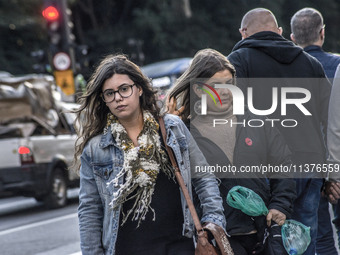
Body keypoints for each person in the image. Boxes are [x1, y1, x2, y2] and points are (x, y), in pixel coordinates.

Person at [73, 54, 226, 255]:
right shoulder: (96, 149)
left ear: (139, 89)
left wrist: (214, 222)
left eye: (124, 89)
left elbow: (204, 177)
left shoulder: (172, 129)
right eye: (109, 93)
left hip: (178, 246)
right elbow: (89, 211)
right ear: (104, 101)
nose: (118, 97)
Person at [168, 48, 296, 255]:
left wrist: (280, 205)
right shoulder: (184, 134)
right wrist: (169, 129)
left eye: (229, 84)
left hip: (263, 233)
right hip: (218, 238)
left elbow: (283, 165)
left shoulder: (256, 121)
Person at [227, 8, 331, 255]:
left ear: (243, 32)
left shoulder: (238, 61)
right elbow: (330, 119)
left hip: (266, 168)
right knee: (305, 240)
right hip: (310, 164)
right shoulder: (311, 63)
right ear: (281, 32)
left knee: (270, 240)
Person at [290, 7, 340, 254]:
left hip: (309, 164)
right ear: (323, 33)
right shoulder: (338, 65)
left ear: (292, 38)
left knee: (317, 236)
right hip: (334, 162)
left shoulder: (287, 72)